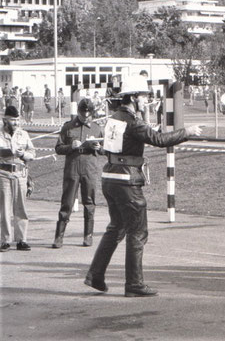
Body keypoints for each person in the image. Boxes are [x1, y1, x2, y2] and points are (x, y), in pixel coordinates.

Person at [84, 75, 202, 297]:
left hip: (110, 177)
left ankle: (95, 275)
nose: (146, 99)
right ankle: (134, 284)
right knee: (137, 232)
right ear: (134, 97)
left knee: (116, 228)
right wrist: (187, 132)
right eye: (143, 96)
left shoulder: (113, 119)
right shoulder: (133, 122)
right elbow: (159, 140)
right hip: (127, 180)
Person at [52, 99, 104, 249]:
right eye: (83, 114)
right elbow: (58, 148)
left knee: (89, 202)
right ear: (79, 112)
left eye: (88, 115)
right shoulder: (68, 127)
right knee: (67, 202)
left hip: (89, 168)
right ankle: (59, 236)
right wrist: (70, 146)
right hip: (72, 168)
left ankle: (88, 236)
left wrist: (99, 147)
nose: (85, 117)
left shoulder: (96, 128)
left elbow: (106, 149)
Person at [0, 105, 36, 252]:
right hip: (4, 173)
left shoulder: (24, 134)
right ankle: (5, 240)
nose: (15, 122)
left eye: (17, 119)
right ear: (5, 120)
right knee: (5, 208)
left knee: (21, 208)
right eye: (12, 120)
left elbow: (32, 153)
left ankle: (22, 239)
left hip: (20, 173)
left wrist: (23, 155)